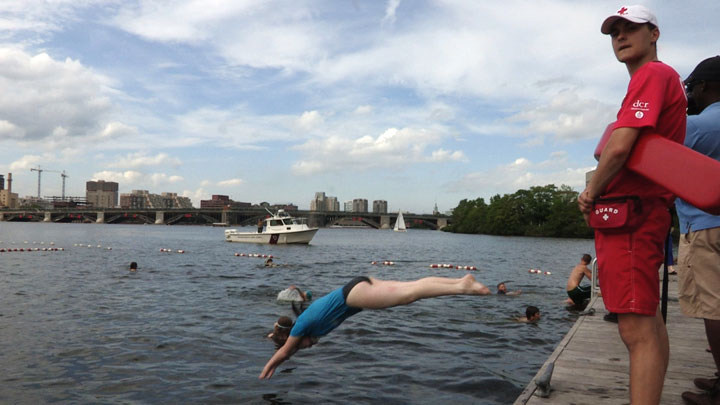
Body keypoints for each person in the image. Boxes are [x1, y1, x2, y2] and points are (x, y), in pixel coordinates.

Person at [577, 6, 686, 404]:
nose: (620, 36)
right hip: (641, 213)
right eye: (614, 31)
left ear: (654, 33)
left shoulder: (653, 75)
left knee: (635, 330)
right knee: (650, 324)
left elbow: (620, 147)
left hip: (632, 220)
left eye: (630, 29)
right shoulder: (654, 79)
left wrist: (590, 194)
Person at [259, 274, 491, 379]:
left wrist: (268, 367)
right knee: (410, 289)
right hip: (357, 287)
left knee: (409, 295)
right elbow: (290, 348)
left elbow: (286, 351)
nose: (307, 347)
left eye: (303, 346)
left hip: (354, 294)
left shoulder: (301, 327)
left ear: (297, 337)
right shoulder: (308, 328)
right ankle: (460, 282)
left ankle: (462, 287)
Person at [675, 55, 720, 405]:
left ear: (704, 86)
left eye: (690, 86)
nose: (688, 93)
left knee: (714, 309)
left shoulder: (697, 127)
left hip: (706, 228)